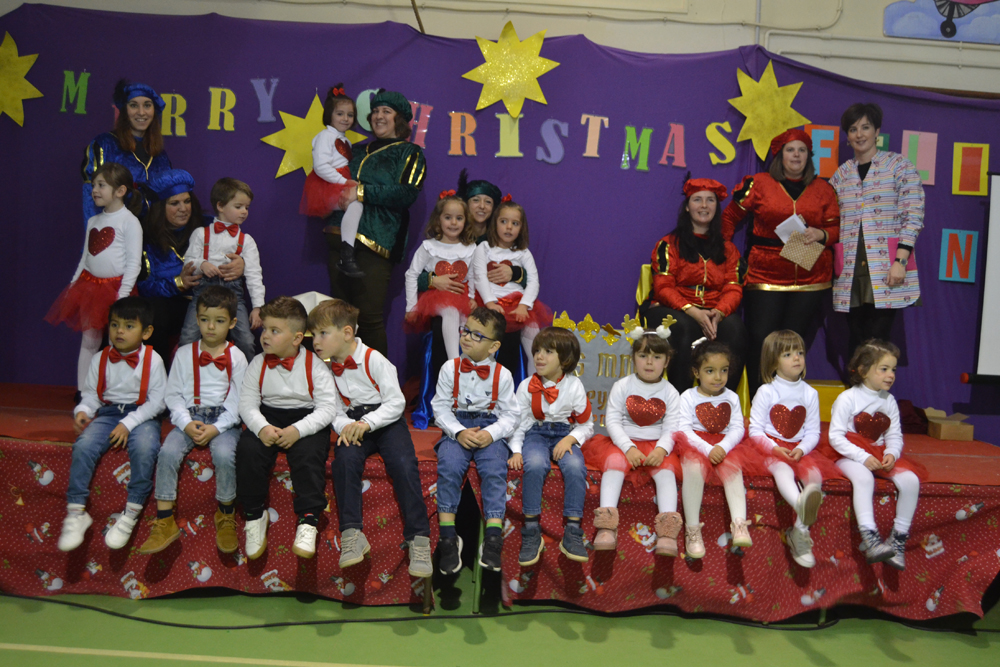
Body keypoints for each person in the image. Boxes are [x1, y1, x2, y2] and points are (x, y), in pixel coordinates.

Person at [309, 299, 433, 577]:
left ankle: (419, 538)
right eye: (313, 334)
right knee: (344, 461)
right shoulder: (325, 369)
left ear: (347, 333)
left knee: (403, 463)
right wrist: (345, 426)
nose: (315, 341)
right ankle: (352, 534)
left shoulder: (374, 359)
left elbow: (396, 403)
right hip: (353, 423)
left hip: (385, 422)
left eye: (322, 333)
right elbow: (331, 408)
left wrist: (368, 423)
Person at [723, 129, 840, 396]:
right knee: (761, 340)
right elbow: (729, 218)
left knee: (793, 345)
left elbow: (835, 228)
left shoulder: (823, 189)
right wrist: (727, 254)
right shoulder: (759, 183)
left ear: (809, 156)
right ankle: (759, 401)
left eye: (802, 150)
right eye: (790, 150)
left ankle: (785, 404)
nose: (796, 155)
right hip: (765, 276)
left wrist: (822, 234)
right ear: (780, 155)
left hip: (810, 279)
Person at [139, 287, 248, 555]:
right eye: (205, 320)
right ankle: (165, 520)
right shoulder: (184, 353)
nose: (210, 327)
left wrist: (217, 428)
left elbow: (238, 402)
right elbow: (173, 395)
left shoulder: (237, 357)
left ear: (232, 323)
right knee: (167, 452)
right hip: (189, 416)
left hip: (224, 420)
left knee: (224, 455)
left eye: (219, 321)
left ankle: (225, 514)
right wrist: (186, 422)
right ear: (197, 319)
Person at [57, 297, 166, 552]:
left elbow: (158, 402)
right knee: (83, 445)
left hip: (142, 415)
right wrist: (83, 411)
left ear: (146, 332)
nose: (119, 331)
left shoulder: (154, 360)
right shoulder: (100, 358)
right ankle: (76, 511)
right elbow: (91, 395)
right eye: (115, 325)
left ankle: (131, 511)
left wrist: (128, 423)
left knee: (145, 448)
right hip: (107, 414)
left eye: (129, 326)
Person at [325, 89, 427, 355]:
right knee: (339, 319)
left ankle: (377, 379)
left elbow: (407, 193)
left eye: (386, 111)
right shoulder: (355, 150)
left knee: (368, 318)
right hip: (338, 236)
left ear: (399, 118)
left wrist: (361, 192)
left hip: (376, 241)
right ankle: (338, 376)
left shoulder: (409, 152)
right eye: (376, 111)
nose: (379, 116)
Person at [237, 297, 338, 561]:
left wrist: (298, 430)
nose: (265, 336)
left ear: (296, 338)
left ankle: (308, 521)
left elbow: (327, 408)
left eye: (274, 331)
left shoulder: (316, 366)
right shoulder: (257, 363)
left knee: (309, 456)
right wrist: (261, 428)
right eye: (265, 329)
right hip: (268, 415)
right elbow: (247, 403)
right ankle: (254, 515)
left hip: (305, 419)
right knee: (248, 450)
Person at [820, 340, 926, 570]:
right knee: (864, 478)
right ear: (863, 370)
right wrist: (862, 457)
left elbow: (894, 435)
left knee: (911, 480)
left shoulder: (889, 401)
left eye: (893, 369)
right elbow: (836, 437)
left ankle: (897, 539)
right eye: (884, 369)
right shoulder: (848, 398)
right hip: (848, 454)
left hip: (877, 454)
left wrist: (892, 453)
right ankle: (871, 539)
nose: (891, 375)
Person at [830, 103, 925, 356]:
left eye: (865, 127)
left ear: (877, 131)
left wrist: (900, 262)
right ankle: (854, 383)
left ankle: (877, 383)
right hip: (850, 269)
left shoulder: (898, 166)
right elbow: (829, 217)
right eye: (853, 129)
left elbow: (913, 216)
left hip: (886, 267)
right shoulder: (841, 175)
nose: (859, 134)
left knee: (878, 341)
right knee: (855, 341)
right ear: (847, 137)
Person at [431, 308, 519, 573]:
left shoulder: (503, 374)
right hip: (456, 427)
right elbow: (440, 407)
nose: (467, 337)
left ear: (494, 346)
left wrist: (491, 433)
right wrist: (458, 432)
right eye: (466, 330)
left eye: (477, 335)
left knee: (494, 470)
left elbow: (511, 415)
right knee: (449, 466)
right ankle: (448, 537)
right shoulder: (450, 368)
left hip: (489, 429)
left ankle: (492, 537)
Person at [584, 323, 683, 556]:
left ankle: (667, 532)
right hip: (623, 444)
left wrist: (661, 450)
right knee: (614, 465)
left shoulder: (670, 392)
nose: (649, 362)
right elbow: (612, 421)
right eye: (643, 356)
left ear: (666, 361)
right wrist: (628, 448)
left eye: (657, 357)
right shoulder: (622, 386)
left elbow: (672, 427)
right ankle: (606, 526)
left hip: (656, 446)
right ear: (633, 358)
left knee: (667, 473)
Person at [643, 178, 747, 393]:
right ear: (687, 207)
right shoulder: (669, 244)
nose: (704, 205)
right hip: (673, 308)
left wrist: (718, 313)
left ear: (716, 208)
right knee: (685, 327)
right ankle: (679, 398)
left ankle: (721, 400)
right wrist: (693, 311)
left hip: (714, 310)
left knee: (736, 330)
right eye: (697, 200)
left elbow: (733, 289)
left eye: (710, 200)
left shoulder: (729, 249)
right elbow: (663, 288)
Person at [47, 162, 144, 393]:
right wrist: (73, 284)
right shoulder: (94, 221)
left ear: (120, 191)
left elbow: (134, 263)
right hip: (90, 288)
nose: (94, 190)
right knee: (89, 341)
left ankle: (117, 392)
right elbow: (86, 258)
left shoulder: (129, 222)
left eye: (101, 185)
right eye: (93, 185)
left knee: (118, 341)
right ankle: (84, 391)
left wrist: (122, 295)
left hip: (117, 290)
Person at [138, 168, 246, 368]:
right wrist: (178, 283)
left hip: (212, 299)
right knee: (154, 312)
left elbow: (242, 249)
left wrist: (241, 264)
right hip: (174, 305)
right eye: (174, 203)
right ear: (160, 207)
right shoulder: (147, 239)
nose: (183, 208)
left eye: (187, 201)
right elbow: (143, 287)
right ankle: (160, 377)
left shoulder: (210, 226)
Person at [508, 327, 594, 566]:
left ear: (565, 359)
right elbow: (518, 423)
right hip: (535, 433)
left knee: (575, 466)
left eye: (548, 351)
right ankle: (531, 531)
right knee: (535, 464)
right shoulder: (527, 385)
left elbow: (586, 424)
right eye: (537, 350)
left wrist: (570, 440)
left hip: (564, 433)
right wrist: (516, 450)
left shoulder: (574, 385)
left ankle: (572, 531)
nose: (539, 356)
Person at [748, 330, 832, 569]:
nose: (796, 358)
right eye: (787, 354)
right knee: (782, 472)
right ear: (773, 361)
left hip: (798, 450)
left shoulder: (810, 393)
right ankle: (801, 507)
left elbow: (813, 432)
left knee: (815, 477)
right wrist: (775, 449)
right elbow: (755, 431)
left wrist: (802, 449)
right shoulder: (766, 391)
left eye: (800, 353)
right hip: (770, 450)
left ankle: (799, 532)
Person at [674, 339, 758, 559]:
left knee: (733, 469)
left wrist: (722, 446)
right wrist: (706, 448)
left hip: (724, 445)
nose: (718, 377)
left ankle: (739, 524)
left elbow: (737, 427)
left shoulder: (731, 397)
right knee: (693, 469)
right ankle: (692, 530)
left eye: (724, 370)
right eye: (710, 371)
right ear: (696, 372)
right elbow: (683, 429)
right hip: (696, 445)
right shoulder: (688, 396)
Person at [179, 178, 263, 361]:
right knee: (187, 337)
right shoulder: (200, 234)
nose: (244, 211)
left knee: (246, 341)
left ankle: (247, 376)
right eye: (238, 206)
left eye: (247, 207)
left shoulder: (247, 241)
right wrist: (202, 264)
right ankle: (185, 372)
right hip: (203, 294)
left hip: (233, 295)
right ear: (220, 206)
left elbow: (254, 275)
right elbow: (188, 262)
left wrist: (258, 307)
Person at [471, 200, 552, 375]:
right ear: (495, 223)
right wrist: (490, 302)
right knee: (489, 347)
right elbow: (479, 277)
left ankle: (534, 385)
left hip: (518, 304)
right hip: (491, 303)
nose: (509, 227)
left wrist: (524, 305)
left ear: (521, 228)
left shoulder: (523, 253)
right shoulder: (484, 248)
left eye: (515, 223)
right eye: (503, 221)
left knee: (536, 346)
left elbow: (533, 281)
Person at [82, 79, 170, 225]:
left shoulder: (161, 156)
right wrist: (98, 234)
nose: (141, 112)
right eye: (134, 105)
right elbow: (91, 195)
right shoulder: (104, 145)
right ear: (124, 110)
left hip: (153, 236)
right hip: (115, 233)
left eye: (147, 105)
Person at [403, 193, 479, 359]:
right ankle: (454, 362)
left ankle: (466, 361)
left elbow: (473, 275)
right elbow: (411, 275)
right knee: (451, 311)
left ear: (466, 221)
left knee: (467, 321)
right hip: (435, 297)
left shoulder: (471, 248)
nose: (453, 223)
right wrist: (411, 307)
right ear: (438, 220)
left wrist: (472, 297)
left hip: (462, 295)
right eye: (448, 217)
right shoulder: (429, 247)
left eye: (459, 218)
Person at [300, 84, 365, 278]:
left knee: (357, 204)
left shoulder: (345, 140)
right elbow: (321, 166)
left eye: (350, 115)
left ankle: (347, 253)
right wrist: (343, 182)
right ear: (329, 115)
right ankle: (347, 255)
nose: (345, 118)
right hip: (326, 185)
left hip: (338, 183)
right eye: (340, 114)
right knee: (356, 204)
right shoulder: (324, 136)